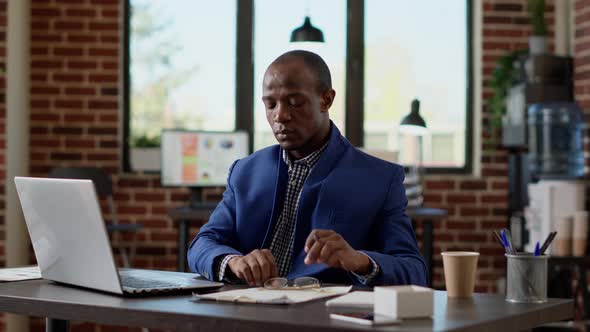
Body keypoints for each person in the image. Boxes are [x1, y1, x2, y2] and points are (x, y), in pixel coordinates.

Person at [187, 50, 426, 286]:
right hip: (244, 312)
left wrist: (360, 260)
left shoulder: (380, 180)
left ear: (327, 99)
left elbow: (414, 270)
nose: (280, 115)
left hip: (321, 320)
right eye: (270, 104)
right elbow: (203, 243)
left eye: (294, 103)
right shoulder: (245, 172)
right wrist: (233, 261)